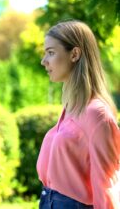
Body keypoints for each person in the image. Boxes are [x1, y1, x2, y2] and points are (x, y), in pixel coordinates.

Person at [37, 20, 120, 209]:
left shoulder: (97, 114)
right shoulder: (71, 107)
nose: (44, 61)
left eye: (51, 52)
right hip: (48, 200)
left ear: (74, 54)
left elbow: (106, 184)